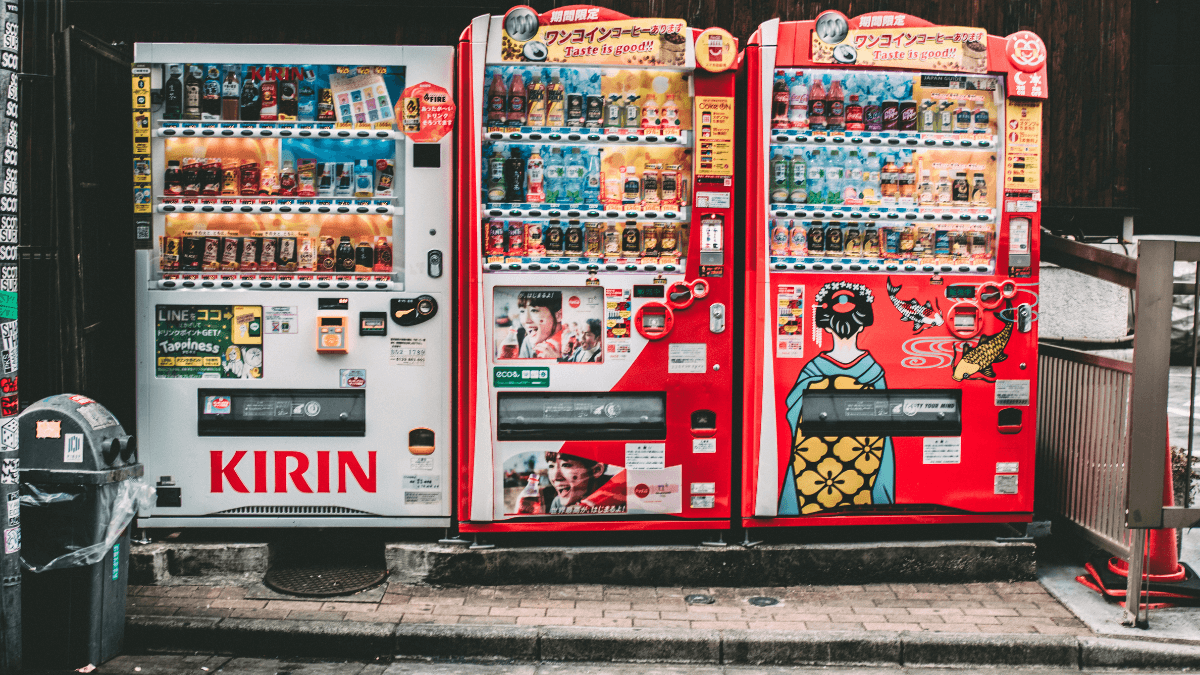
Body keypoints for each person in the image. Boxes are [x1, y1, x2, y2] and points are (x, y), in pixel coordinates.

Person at [779, 281, 894, 516]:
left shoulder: (812, 370)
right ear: (863, 325)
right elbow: (886, 426)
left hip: (812, 477)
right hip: (864, 472)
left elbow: (791, 410)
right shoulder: (873, 371)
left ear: (825, 326)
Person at [541, 451, 625, 514]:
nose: (555, 477)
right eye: (551, 466)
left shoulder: (622, 497)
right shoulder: (558, 503)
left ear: (596, 470)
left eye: (566, 465)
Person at [516, 290, 565, 359]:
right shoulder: (528, 342)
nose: (525, 320)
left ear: (559, 315)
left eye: (534, 310)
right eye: (522, 311)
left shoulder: (574, 343)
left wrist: (558, 361)